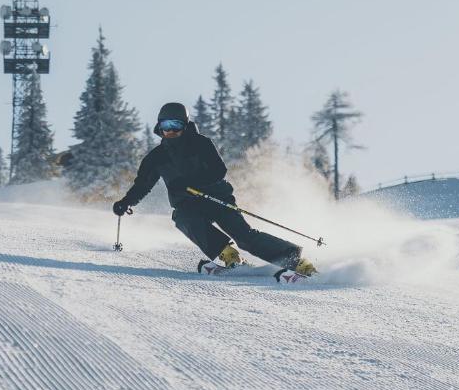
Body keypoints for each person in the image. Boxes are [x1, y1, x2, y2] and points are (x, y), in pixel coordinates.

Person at [113, 102, 317, 276]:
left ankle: (296, 261)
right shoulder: (156, 157)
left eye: (176, 125)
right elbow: (142, 185)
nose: (171, 131)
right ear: (160, 128)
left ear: (185, 125)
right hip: (189, 205)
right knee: (182, 218)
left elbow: (219, 170)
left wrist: (191, 183)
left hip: (216, 198)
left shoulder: (201, 144)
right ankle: (229, 256)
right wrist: (126, 202)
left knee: (245, 237)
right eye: (166, 126)